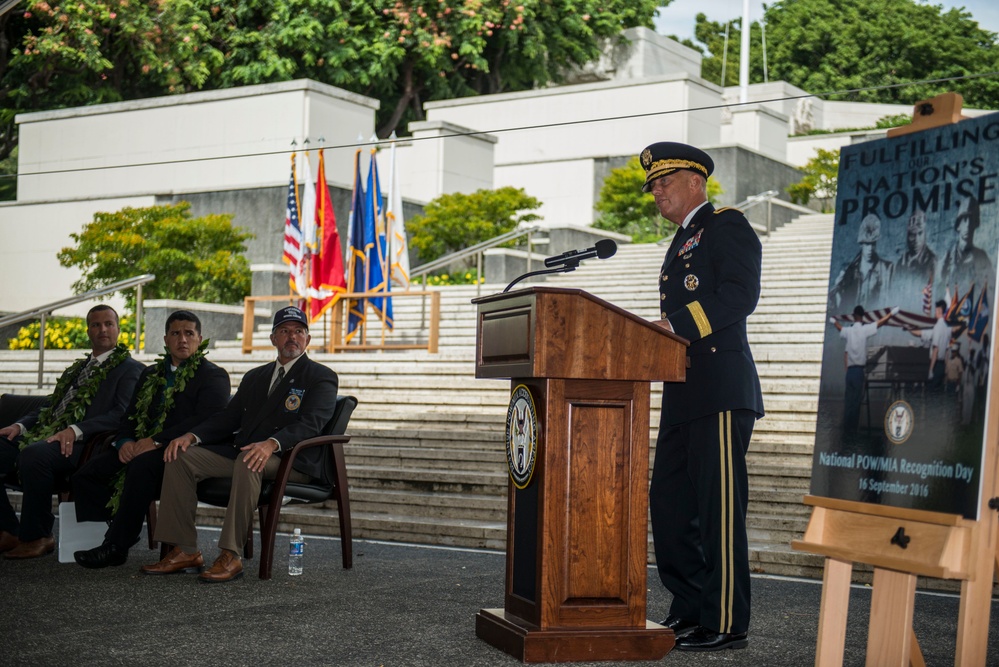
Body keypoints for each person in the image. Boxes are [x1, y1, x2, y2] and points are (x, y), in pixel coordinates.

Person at [641, 141, 764, 652]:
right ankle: (690, 608)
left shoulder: (725, 226)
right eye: (652, 186)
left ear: (696, 181)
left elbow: (740, 294)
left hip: (717, 388)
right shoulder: (680, 242)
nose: (656, 193)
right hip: (682, 393)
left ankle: (726, 621)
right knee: (669, 506)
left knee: (718, 510)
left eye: (664, 181)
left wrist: (675, 325)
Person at [140, 306, 338, 583]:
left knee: (250, 460)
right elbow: (227, 418)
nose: (291, 337)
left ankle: (230, 555)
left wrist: (271, 443)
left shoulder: (320, 376)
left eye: (298, 331)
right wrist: (192, 436)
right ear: (273, 339)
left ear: (307, 338)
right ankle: (184, 550)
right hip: (247, 452)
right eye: (284, 331)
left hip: (294, 459)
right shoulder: (255, 376)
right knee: (180, 455)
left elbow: (312, 423)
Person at [71, 310, 231, 569]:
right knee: (87, 474)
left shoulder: (213, 375)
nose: (183, 339)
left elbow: (208, 419)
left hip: (184, 450)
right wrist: (123, 442)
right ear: (166, 340)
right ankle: (115, 527)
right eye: (176, 333)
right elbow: (130, 415)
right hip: (143, 446)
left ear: (200, 339)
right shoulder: (151, 374)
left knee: (141, 467)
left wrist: (156, 440)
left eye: (189, 333)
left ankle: (116, 546)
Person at [0, 304, 144, 559]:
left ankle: (39, 535)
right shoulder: (76, 369)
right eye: (96, 324)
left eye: (109, 324)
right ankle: (10, 529)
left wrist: (75, 429)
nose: (103, 329)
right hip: (45, 436)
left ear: (119, 330)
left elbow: (122, 413)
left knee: (34, 455)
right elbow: (49, 406)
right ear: (88, 330)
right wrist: (19, 425)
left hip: (85, 445)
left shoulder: (130, 369)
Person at [830, 306, 898, 433]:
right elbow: (879, 323)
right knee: (856, 404)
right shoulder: (864, 330)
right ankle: (852, 433)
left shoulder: (849, 331)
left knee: (848, 402)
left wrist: (834, 321)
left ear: (854, 315)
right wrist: (890, 314)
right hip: (858, 372)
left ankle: (846, 431)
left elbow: (839, 328)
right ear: (863, 316)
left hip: (849, 372)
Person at [828, 214, 893, 312]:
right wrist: (838, 291)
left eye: (873, 244)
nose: (870, 248)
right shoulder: (849, 270)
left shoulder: (885, 269)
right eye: (867, 244)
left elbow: (885, 302)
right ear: (861, 244)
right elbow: (839, 305)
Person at [939, 196, 994, 293]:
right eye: (964, 220)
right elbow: (939, 285)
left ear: (975, 224)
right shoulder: (948, 257)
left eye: (971, 220)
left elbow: (991, 287)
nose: (968, 225)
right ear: (958, 225)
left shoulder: (982, 256)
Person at [908, 300, 956, 392]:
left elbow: (935, 350)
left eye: (936, 310)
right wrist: (945, 368)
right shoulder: (947, 328)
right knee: (938, 394)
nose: (935, 312)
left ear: (938, 310)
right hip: (941, 366)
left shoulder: (937, 327)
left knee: (931, 393)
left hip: (935, 365)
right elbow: (946, 351)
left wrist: (931, 369)